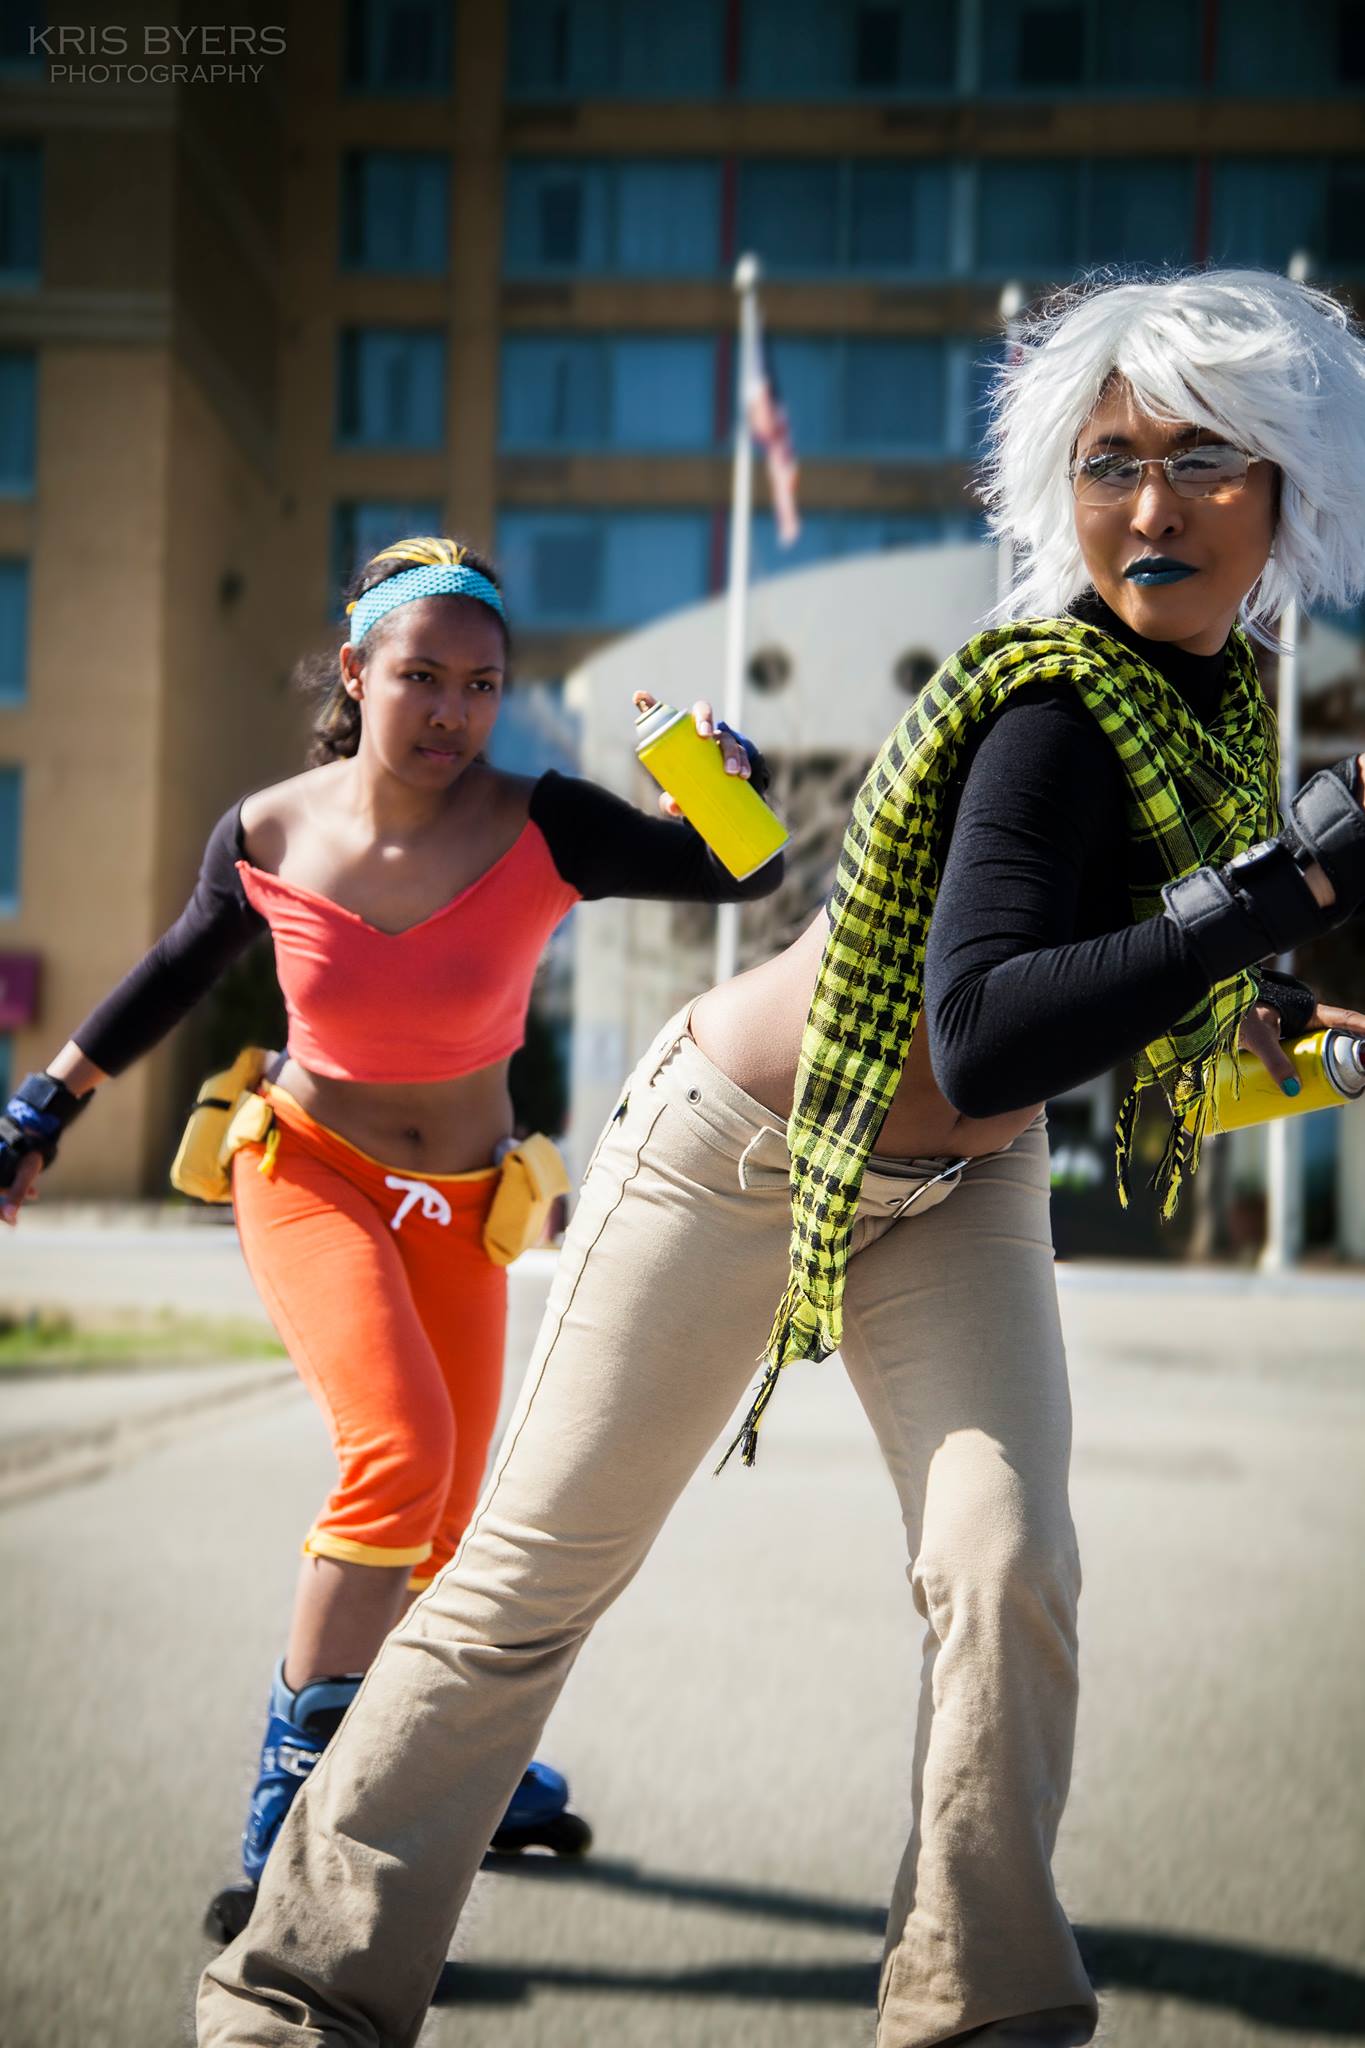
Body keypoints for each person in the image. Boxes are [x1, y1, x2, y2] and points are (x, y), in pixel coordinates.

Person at [197, 271, 1365, 2048]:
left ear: (1286, 484)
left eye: (1204, 460)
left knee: (1004, 1567)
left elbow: (1129, 989)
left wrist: (1289, 1021)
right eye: (1112, 460)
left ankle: (978, 2007)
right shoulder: (1051, 705)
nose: (1152, 505)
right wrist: (1282, 889)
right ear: (1061, 486)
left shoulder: (1207, 710)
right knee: (530, 1582)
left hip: (954, 1184)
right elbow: (988, 1024)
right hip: (740, 1149)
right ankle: (296, 1998)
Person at [0, 536, 781, 1934]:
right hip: (309, 1169)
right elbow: (172, 970)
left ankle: (447, 1766)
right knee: (399, 1460)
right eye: (421, 676)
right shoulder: (269, 831)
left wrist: (731, 780)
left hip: (466, 1205)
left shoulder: (546, 822)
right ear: (357, 671)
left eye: (481, 685)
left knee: (453, 1521)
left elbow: (737, 873)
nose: (451, 712)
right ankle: (292, 1798)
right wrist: (40, 1109)